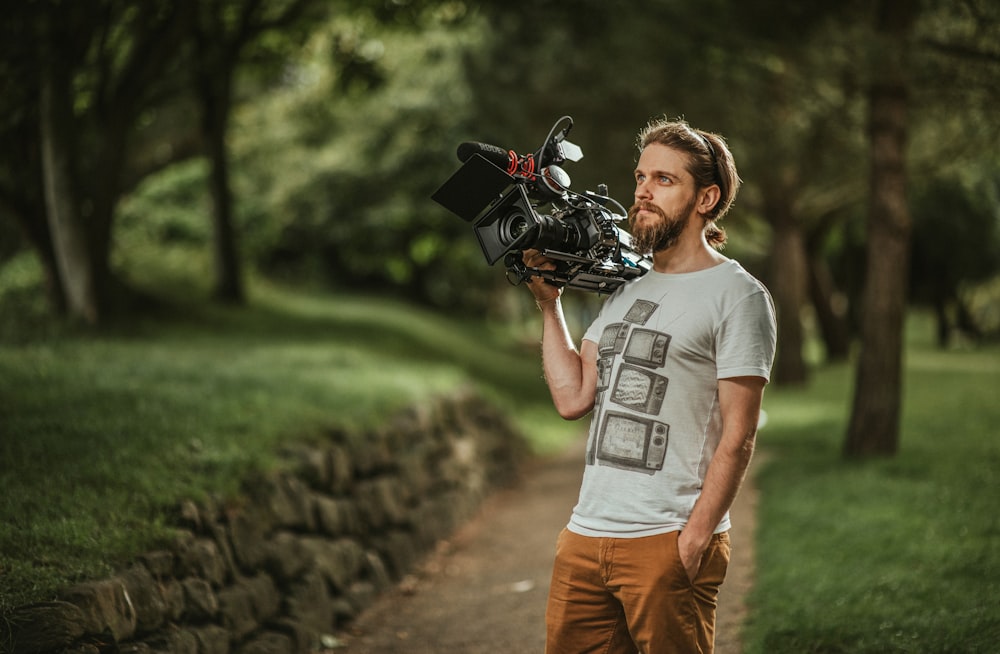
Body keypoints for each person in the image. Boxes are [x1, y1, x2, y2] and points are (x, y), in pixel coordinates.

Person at [522, 117, 777, 654]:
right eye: (640, 176)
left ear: (706, 197)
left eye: (664, 179)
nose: (642, 191)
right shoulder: (626, 286)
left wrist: (695, 538)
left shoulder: (738, 296)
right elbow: (574, 398)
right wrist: (550, 305)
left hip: (667, 538)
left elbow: (739, 435)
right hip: (585, 536)